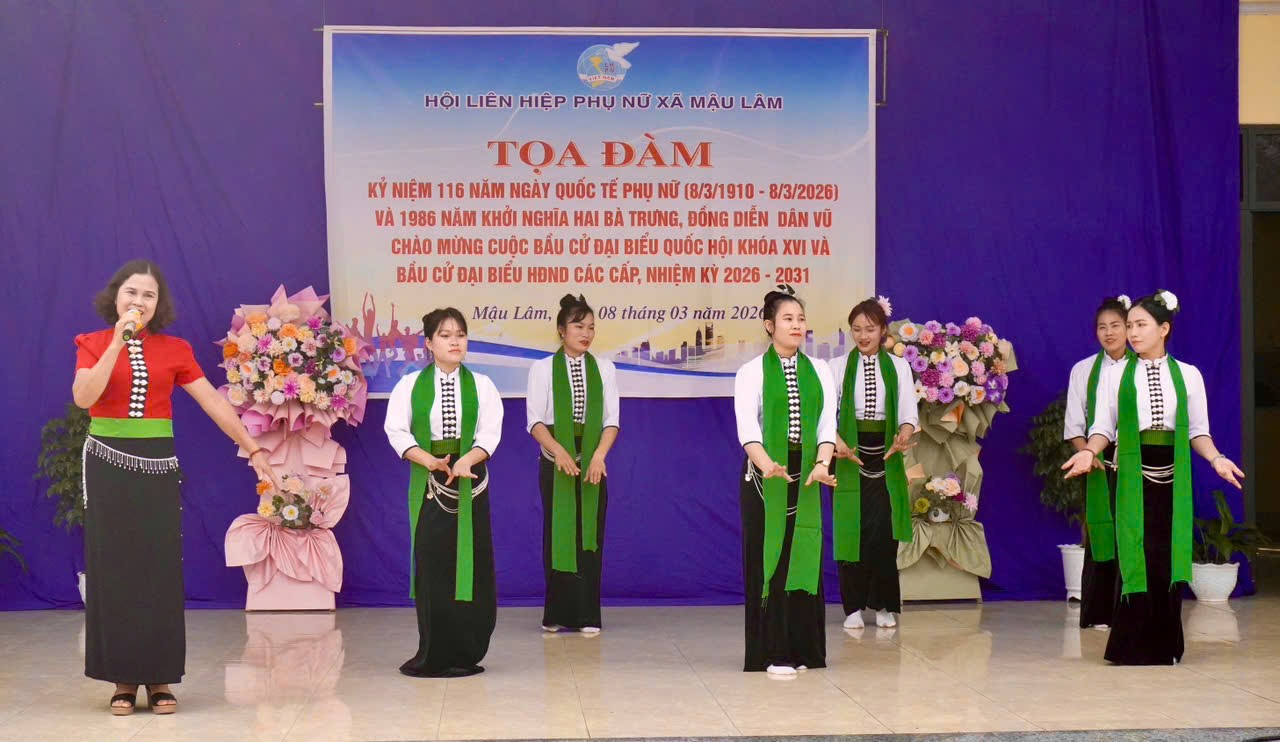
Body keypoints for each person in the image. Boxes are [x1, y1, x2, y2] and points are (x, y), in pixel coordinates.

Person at [73, 259, 282, 715]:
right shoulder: (91, 343)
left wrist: (254, 449)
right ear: (116, 297)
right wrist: (116, 342)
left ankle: (160, 677)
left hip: (157, 466)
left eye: (148, 295)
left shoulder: (175, 349)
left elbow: (213, 402)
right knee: (114, 568)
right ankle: (122, 680)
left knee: (158, 568)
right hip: (107, 463)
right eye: (131, 293)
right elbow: (84, 397)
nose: (139, 301)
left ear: (158, 304)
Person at [1063, 291, 1244, 665]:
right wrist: (1089, 451)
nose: (1132, 332)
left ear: (1164, 328)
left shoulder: (1188, 375)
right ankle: (1130, 646)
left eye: (1140, 325)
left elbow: (1198, 431)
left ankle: (1164, 646)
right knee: (1136, 553)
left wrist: (1217, 459)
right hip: (1132, 474)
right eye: (1130, 325)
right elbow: (1102, 427)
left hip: (1172, 477)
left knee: (1165, 556)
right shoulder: (1115, 375)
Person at [384, 308, 503, 677]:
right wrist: (430, 461)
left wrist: (467, 460)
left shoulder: (482, 385)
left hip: (471, 479)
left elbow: (490, 432)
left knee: (472, 563)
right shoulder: (410, 385)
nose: (455, 342)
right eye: (446, 335)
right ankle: (434, 653)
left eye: (460, 335)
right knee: (434, 566)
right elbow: (397, 430)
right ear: (429, 343)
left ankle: (467, 651)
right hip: (430, 482)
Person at [732, 288, 838, 675]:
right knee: (770, 558)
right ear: (769, 325)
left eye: (801, 319)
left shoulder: (820, 370)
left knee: (802, 556)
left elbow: (827, 424)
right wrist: (767, 465)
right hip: (766, 476)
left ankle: (803, 649)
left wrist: (823, 463)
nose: (796, 326)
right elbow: (748, 429)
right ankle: (772, 652)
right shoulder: (751, 372)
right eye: (788, 319)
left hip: (807, 474)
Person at [525, 294, 620, 634]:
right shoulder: (542, 369)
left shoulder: (604, 368)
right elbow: (535, 421)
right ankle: (557, 613)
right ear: (561, 330)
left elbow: (611, 420)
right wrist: (558, 451)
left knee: (590, 533)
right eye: (579, 326)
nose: (586, 333)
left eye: (591, 327)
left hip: (592, 458)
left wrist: (598, 456)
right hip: (555, 458)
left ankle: (587, 614)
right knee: (558, 531)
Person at [827, 297, 918, 630]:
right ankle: (852, 607)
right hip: (847, 453)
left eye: (870, 329)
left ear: (883, 330)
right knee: (851, 529)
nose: (863, 336)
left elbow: (908, 414)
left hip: (886, 453)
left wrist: (903, 435)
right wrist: (836, 442)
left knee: (883, 531)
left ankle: (882, 604)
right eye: (856, 329)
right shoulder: (836, 367)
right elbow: (825, 415)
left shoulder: (899, 367)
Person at [1063, 295, 1134, 629]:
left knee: (1132, 530)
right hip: (1096, 456)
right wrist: (1088, 454)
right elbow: (1075, 425)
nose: (1109, 333)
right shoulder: (1084, 370)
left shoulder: (1144, 366)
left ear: (1129, 328)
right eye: (1102, 327)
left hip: (1137, 459)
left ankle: (1131, 608)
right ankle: (1100, 612)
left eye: (1115, 325)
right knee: (1102, 532)